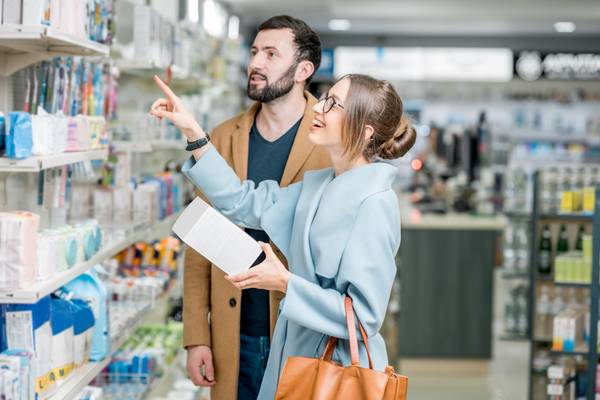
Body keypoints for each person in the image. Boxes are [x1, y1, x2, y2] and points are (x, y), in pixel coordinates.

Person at [150, 72, 416, 399]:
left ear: (363, 131)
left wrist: (286, 284)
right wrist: (193, 132)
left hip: (335, 371)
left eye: (333, 104)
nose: (319, 108)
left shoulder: (374, 204)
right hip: (293, 356)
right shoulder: (317, 186)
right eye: (325, 98)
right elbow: (242, 201)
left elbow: (364, 317)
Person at [166, 15, 331, 400]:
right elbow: (198, 242)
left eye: (272, 54)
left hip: (302, 333)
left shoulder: (329, 140)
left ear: (304, 69)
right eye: (255, 52)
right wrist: (196, 337)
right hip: (232, 331)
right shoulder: (222, 137)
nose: (256, 63)